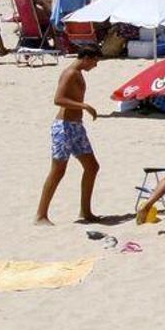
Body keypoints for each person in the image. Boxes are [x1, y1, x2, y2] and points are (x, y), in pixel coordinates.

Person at [34, 45, 102, 224]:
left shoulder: (78, 73)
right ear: (86, 58)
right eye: (95, 61)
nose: (95, 65)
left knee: (92, 167)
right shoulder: (70, 73)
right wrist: (84, 106)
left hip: (76, 127)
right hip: (64, 127)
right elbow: (58, 99)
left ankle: (85, 211)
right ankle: (41, 215)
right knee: (58, 170)